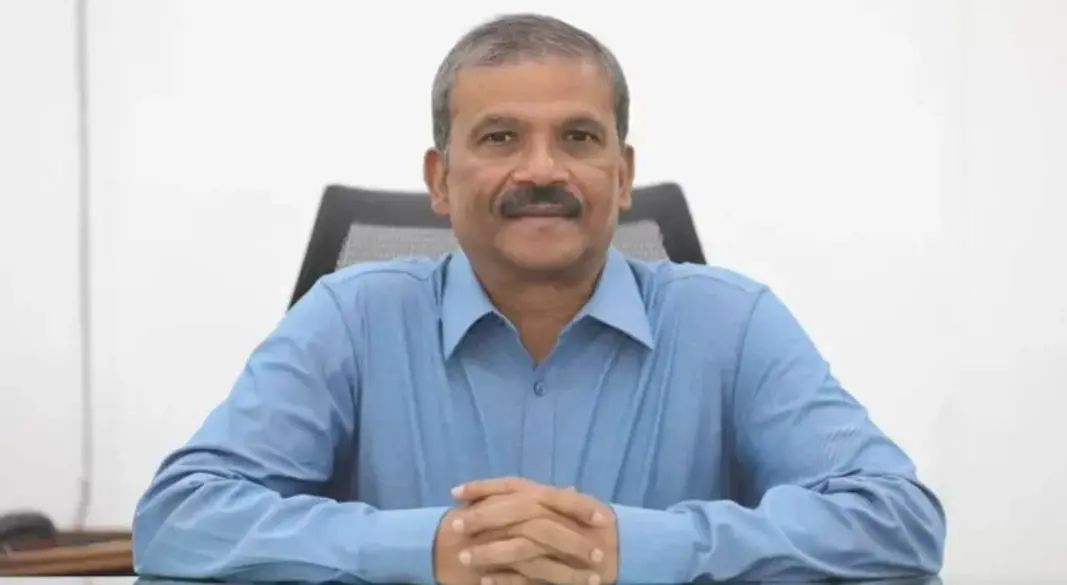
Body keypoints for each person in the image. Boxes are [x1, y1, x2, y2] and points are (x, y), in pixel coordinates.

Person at [131, 13, 946, 585]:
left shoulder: (730, 322)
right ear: (439, 179)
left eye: (578, 137)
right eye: (499, 137)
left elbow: (897, 521)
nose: (542, 170)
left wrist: (634, 547)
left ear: (621, 176)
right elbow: (178, 519)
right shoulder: (349, 317)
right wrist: (433, 547)